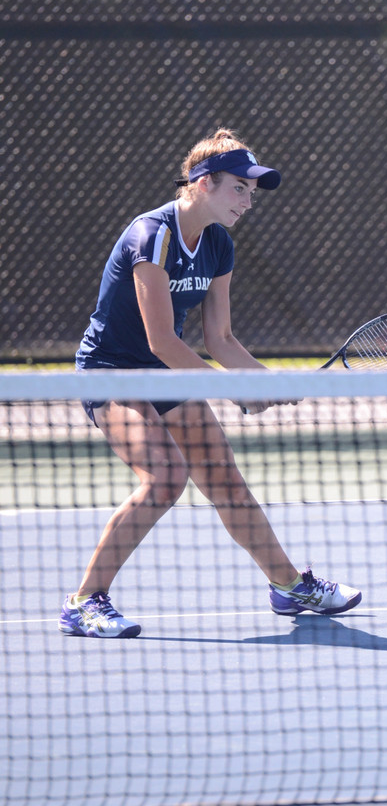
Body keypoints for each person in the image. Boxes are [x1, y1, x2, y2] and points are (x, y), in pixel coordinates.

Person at [59, 129, 361, 638]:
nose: (248, 200)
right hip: (111, 369)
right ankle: (84, 602)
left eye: (252, 191)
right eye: (239, 188)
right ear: (203, 183)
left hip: (163, 374)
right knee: (165, 479)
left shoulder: (219, 244)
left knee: (223, 478)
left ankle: (288, 586)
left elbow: (220, 339)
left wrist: (264, 382)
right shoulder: (151, 234)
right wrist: (234, 390)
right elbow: (160, 341)